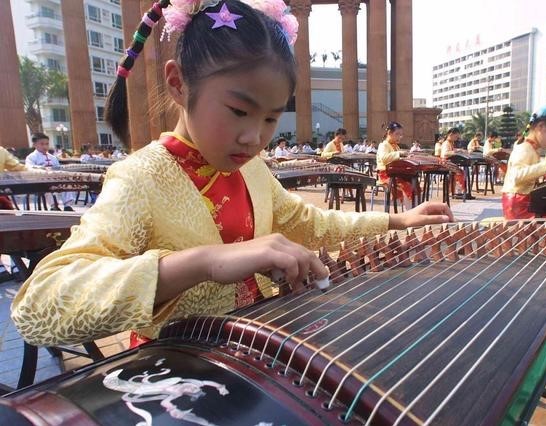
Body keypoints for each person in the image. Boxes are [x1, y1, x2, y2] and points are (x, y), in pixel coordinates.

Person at [11, 0, 453, 348]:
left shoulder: (254, 169)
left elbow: (310, 223)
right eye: (239, 111)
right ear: (179, 83)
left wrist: (398, 221)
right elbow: (38, 305)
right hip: (180, 375)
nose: (253, 137)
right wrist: (204, 262)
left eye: (269, 119)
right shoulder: (139, 177)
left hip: (261, 352)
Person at [501, 106, 546, 219]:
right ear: (540, 127)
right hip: (518, 204)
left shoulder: (532, 149)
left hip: (524, 201)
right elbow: (517, 176)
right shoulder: (524, 148)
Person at [25, 133, 75, 211]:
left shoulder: (53, 157)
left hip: (55, 179)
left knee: (66, 184)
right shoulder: (31, 157)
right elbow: (29, 167)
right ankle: (53, 206)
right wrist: (42, 168)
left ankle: (67, 205)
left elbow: (58, 168)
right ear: (34, 144)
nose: (45, 146)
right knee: (46, 187)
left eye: (47, 144)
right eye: (41, 144)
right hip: (39, 181)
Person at [376, 121, 414, 209]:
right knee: (406, 185)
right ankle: (409, 213)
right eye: (397, 134)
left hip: (395, 173)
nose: (399, 137)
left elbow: (397, 159)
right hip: (385, 174)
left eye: (401, 134)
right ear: (389, 133)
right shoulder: (383, 145)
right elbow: (384, 158)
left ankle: (410, 211)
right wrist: (399, 154)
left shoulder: (396, 146)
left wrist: (406, 157)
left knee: (413, 182)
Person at [440, 127, 466, 196]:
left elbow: (452, 150)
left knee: (459, 171)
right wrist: (456, 152)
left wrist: (458, 150)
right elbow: (445, 154)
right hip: (445, 163)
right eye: (456, 136)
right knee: (459, 172)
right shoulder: (446, 143)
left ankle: (453, 190)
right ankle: (458, 190)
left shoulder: (450, 143)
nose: (456, 138)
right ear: (451, 134)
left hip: (448, 162)